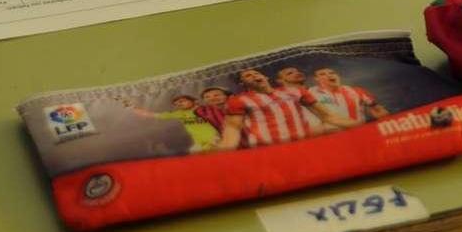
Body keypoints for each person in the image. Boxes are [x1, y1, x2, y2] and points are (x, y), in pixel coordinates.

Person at [218, 68, 357, 149]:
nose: (254, 76)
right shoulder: (238, 101)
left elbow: (328, 116)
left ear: (265, 76)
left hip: (304, 146)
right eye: (248, 76)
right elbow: (232, 132)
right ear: (244, 83)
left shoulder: (294, 91)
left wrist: (361, 126)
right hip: (270, 151)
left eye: (257, 73)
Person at [132, 94, 219, 153]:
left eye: (182, 101)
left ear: (195, 101)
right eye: (176, 104)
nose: (179, 104)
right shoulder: (179, 113)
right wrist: (139, 111)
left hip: (215, 139)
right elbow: (156, 115)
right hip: (199, 143)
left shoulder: (207, 109)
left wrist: (218, 137)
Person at [310, 67, 388, 128]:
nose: (329, 75)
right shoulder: (311, 93)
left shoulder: (356, 91)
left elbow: (379, 110)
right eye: (322, 74)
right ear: (316, 79)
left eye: (332, 73)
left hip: (360, 132)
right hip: (332, 137)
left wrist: (382, 121)